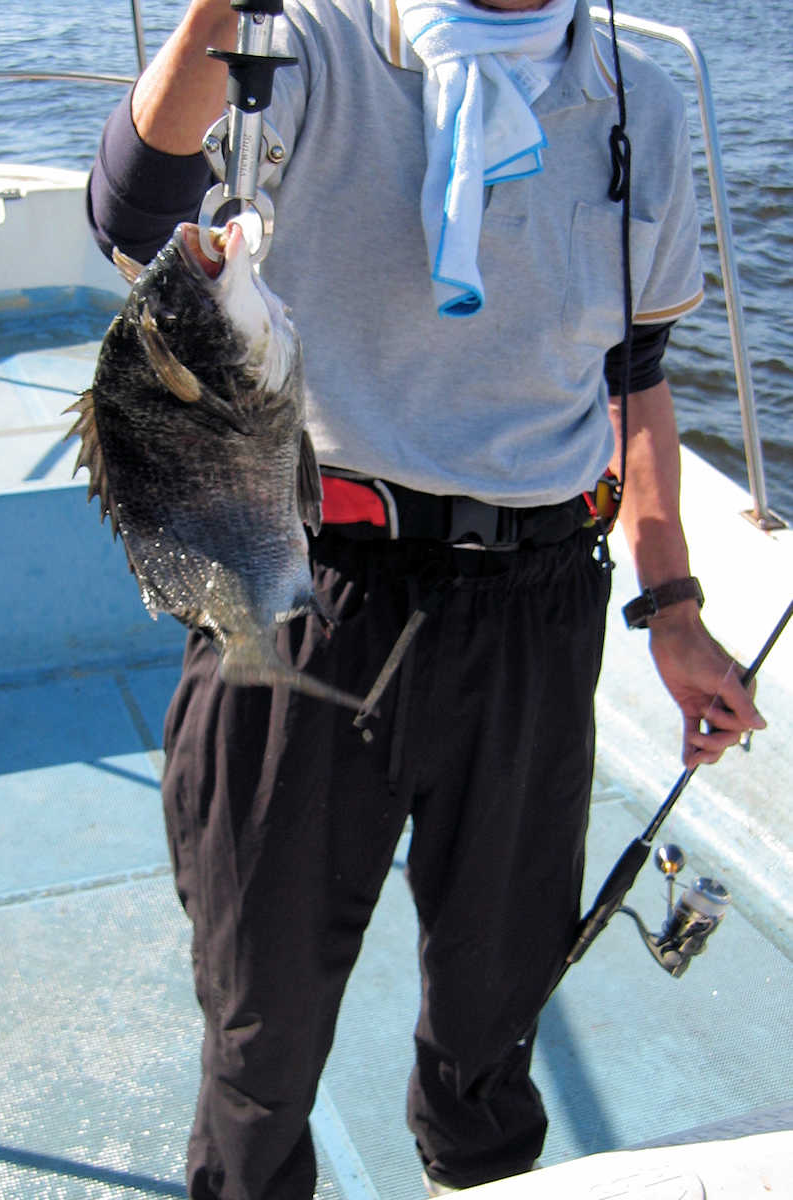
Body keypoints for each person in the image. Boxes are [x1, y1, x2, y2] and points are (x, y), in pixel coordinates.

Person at [87, 1, 765, 1196]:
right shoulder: (305, 39)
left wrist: (672, 603)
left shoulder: (638, 102)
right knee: (260, 1024)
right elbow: (135, 211)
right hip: (309, 597)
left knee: (497, 1019)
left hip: (539, 611)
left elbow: (636, 376)